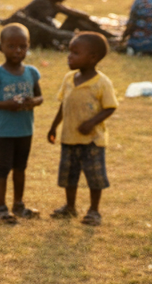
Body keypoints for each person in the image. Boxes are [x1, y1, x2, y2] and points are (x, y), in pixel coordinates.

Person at [47, 32, 117, 226]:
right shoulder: (69, 79)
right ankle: (70, 207)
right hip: (69, 138)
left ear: (93, 57)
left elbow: (110, 107)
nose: (69, 56)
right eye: (70, 52)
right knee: (69, 175)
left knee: (95, 177)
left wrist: (91, 122)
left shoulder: (101, 83)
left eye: (76, 53)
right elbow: (63, 105)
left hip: (92, 141)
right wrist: (54, 127)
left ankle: (94, 210)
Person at [0, 24, 42, 224]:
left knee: (20, 168)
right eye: (11, 46)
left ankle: (19, 204)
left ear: (28, 47)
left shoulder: (32, 72)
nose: (17, 51)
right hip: (4, 130)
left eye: (22, 46)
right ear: (1, 47)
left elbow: (40, 97)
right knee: (4, 167)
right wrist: (6, 104)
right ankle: (1, 208)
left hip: (25, 129)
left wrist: (32, 101)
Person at [10, 0, 112, 49]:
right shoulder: (42, 3)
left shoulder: (54, 3)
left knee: (75, 20)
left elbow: (84, 16)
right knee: (74, 22)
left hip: (50, 32)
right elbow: (48, 30)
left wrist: (66, 9)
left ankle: (105, 36)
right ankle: (102, 39)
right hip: (41, 35)